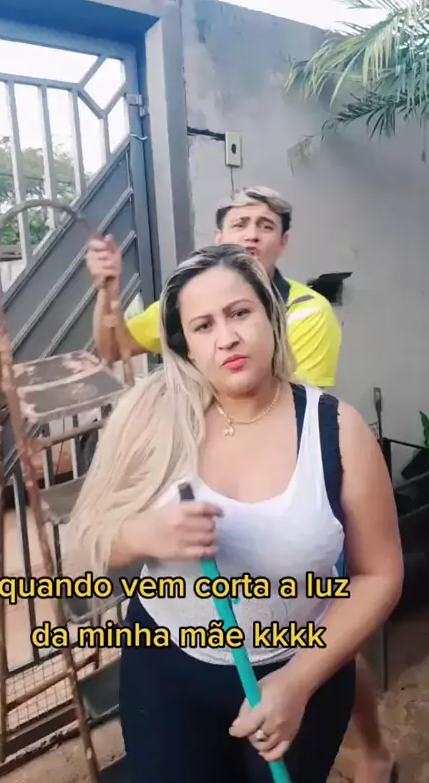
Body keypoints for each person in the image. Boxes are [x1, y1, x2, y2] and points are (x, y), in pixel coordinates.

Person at [86, 187, 397, 783]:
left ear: (270, 315)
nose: (225, 337)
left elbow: (379, 574)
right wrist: (142, 535)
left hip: (298, 667)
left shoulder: (336, 427)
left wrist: (298, 681)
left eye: (240, 314)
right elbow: (93, 545)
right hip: (164, 668)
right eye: (202, 326)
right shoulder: (150, 419)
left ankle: (371, 749)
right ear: (183, 344)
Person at [87, 186, 341, 389]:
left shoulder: (307, 311)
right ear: (219, 239)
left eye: (266, 226)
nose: (252, 235)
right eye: (240, 224)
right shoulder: (188, 300)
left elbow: (300, 412)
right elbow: (113, 348)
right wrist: (107, 291)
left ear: (283, 242)